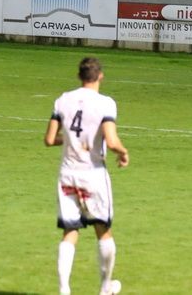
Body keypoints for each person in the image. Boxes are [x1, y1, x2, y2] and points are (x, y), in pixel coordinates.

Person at [43, 57, 129, 295]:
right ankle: (105, 288)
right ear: (100, 76)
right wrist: (123, 152)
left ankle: (64, 290)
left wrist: (69, 141)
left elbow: (49, 139)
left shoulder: (63, 100)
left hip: (67, 175)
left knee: (70, 231)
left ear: (79, 76)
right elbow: (111, 140)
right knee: (102, 228)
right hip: (93, 175)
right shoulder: (106, 103)